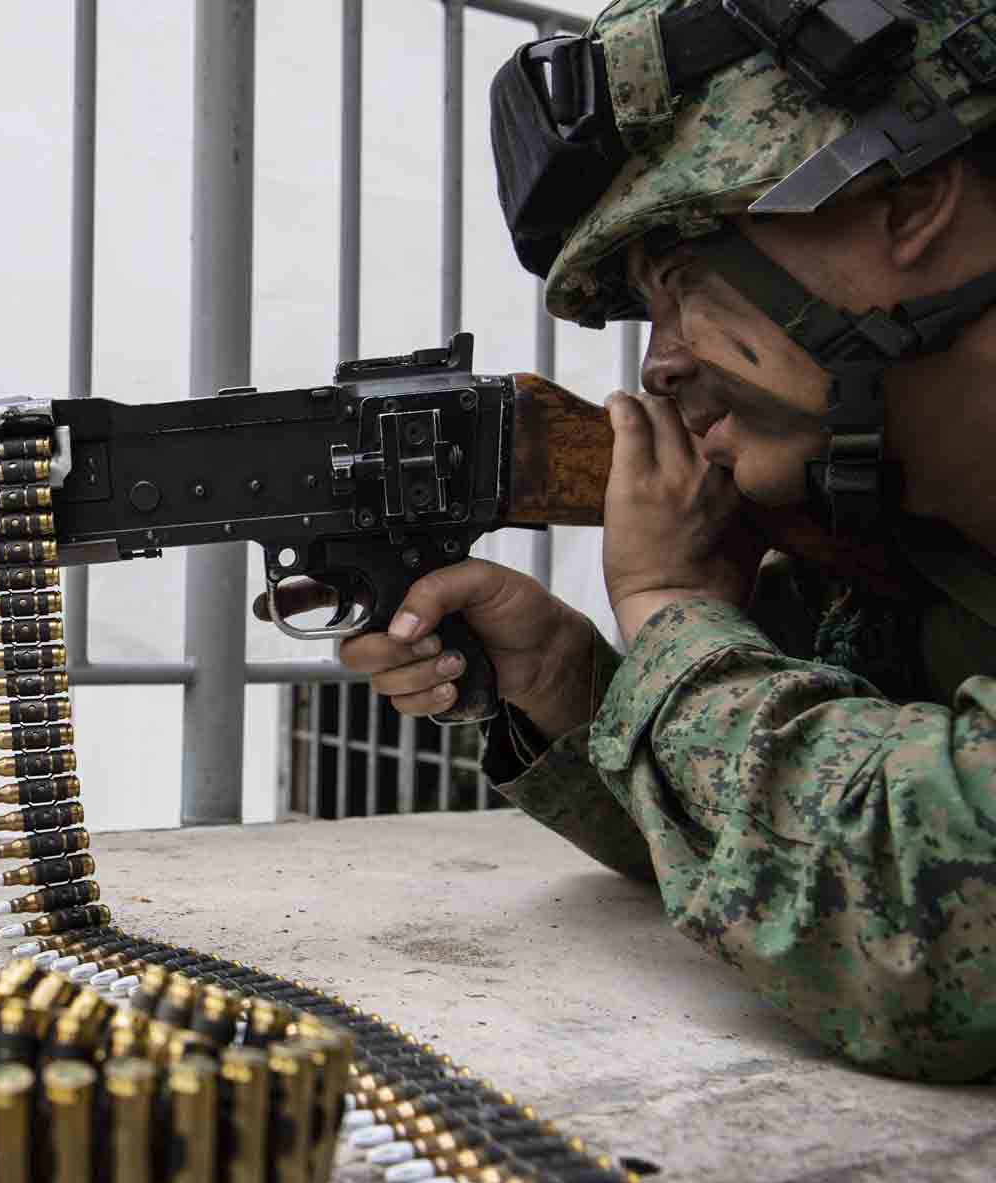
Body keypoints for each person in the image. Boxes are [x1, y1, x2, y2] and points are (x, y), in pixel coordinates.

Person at [342, 0, 996, 1082]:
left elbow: (925, 931)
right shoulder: (896, 540)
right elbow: (778, 867)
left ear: (912, 197)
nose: (660, 364)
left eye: (685, 278)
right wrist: (577, 686)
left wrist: (668, 606)